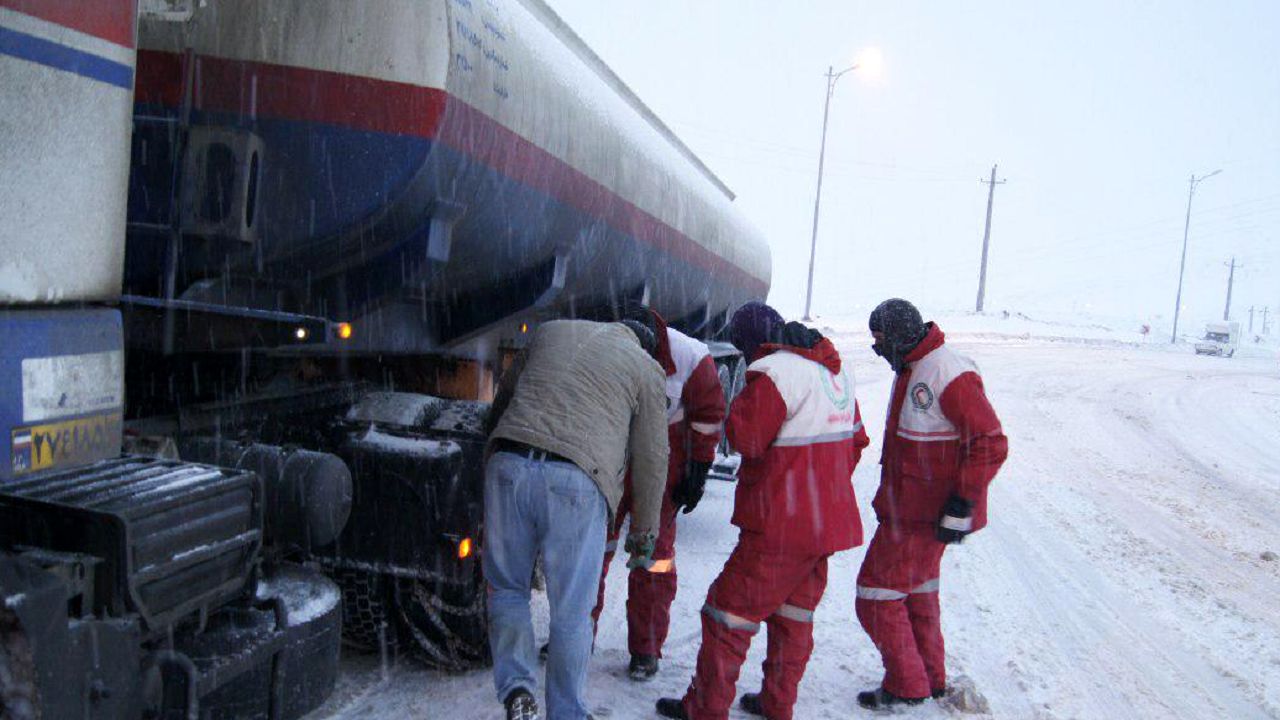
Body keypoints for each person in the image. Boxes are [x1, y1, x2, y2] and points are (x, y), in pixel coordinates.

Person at [657, 301, 869, 720]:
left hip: (781, 527)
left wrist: (742, 402)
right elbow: (857, 442)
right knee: (793, 618)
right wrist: (820, 490)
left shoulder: (774, 373)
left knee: (726, 615)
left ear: (752, 342)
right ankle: (777, 704)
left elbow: (745, 439)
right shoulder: (835, 372)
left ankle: (705, 709)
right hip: (825, 526)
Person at [484, 319, 669, 720]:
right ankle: (565, 712)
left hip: (508, 463)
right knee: (571, 610)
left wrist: (490, 454)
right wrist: (643, 534)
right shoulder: (645, 366)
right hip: (577, 480)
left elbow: (504, 398)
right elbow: (652, 458)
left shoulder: (551, 331)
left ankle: (517, 690)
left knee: (507, 590)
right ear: (645, 344)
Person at [854, 299, 1008, 709]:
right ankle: (930, 677)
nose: (877, 349)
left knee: (876, 596)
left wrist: (962, 502)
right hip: (910, 512)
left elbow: (991, 442)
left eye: (881, 339)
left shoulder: (945, 371)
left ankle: (907, 686)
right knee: (916, 595)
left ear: (902, 335)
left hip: (924, 516)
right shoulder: (915, 366)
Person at [591, 308, 726, 681]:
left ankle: (646, 649)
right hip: (611, 461)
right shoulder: (604, 349)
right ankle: (576, 633)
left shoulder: (691, 358)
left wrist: (698, 470)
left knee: (653, 560)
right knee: (590, 550)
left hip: (662, 471)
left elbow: (709, 415)